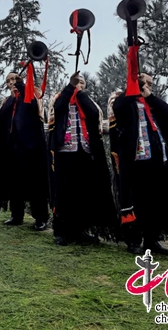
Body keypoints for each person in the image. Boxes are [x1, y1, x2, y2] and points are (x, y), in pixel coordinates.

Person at [109, 73, 168, 255]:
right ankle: (133, 240)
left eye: (149, 84)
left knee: (155, 203)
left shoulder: (153, 103)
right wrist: (132, 89)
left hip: (157, 160)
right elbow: (119, 110)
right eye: (143, 82)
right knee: (134, 202)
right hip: (135, 161)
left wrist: (148, 96)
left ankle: (152, 241)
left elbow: (167, 113)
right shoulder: (122, 100)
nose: (147, 86)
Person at [47, 72, 118, 245]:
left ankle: (81, 231)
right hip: (65, 152)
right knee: (65, 193)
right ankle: (63, 232)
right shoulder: (59, 98)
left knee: (83, 193)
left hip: (85, 151)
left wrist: (79, 93)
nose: (79, 85)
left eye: (82, 83)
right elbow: (58, 109)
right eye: (76, 83)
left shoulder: (87, 101)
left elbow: (94, 114)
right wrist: (70, 89)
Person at [0, 72, 49, 230]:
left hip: (31, 149)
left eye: (14, 79)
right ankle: (16, 215)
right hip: (12, 149)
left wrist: (23, 89)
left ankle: (40, 218)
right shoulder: (6, 101)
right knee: (14, 183)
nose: (11, 82)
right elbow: (1, 121)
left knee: (35, 183)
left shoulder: (32, 94)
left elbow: (38, 111)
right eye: (8, 80)